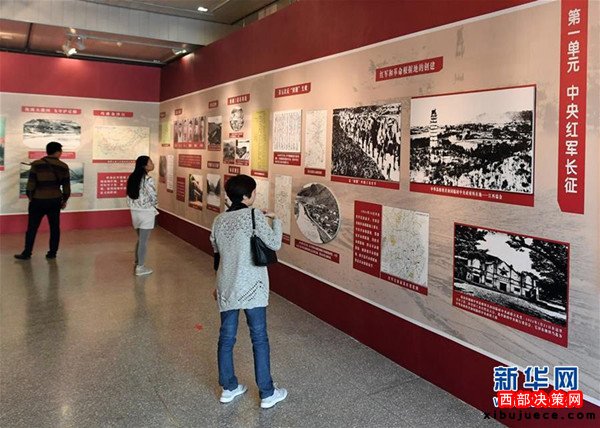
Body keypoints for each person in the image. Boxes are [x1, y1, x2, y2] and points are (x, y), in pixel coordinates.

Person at [210, 174, 287, 409]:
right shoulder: (254, 215)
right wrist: (277, 220)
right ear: (248, 195)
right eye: (253, 192)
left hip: (227, 286)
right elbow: (274, 244)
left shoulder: (219, 220)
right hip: (253, 286)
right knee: (259, 338)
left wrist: (217, 286)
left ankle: (228, 388)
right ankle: (267, 392)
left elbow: (217, 254)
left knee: (226, 338)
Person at [15, 141, 70, 260]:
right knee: (54, 228)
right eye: (61, 151)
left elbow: (30, 185)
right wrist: (64, 200)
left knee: (32, 228)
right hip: (55, 200)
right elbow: (66, 188)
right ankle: (52, 253)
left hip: (38, 200)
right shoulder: (63, 166)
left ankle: (27, 253)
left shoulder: (37, 164)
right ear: (58, 152)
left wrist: (31, 198)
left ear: (47, 151)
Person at [126, 156, 157, 276]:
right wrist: (155, 208)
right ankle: (140, 267)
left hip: (135, 212)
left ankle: (137, 261)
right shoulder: (148, 179)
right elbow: (153, 197)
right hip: (146, 212)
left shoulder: (132, 177)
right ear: (145, 165)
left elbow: (129, 196)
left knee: (140, 239)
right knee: (143, 241)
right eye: (151, 162)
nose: (153, 164)